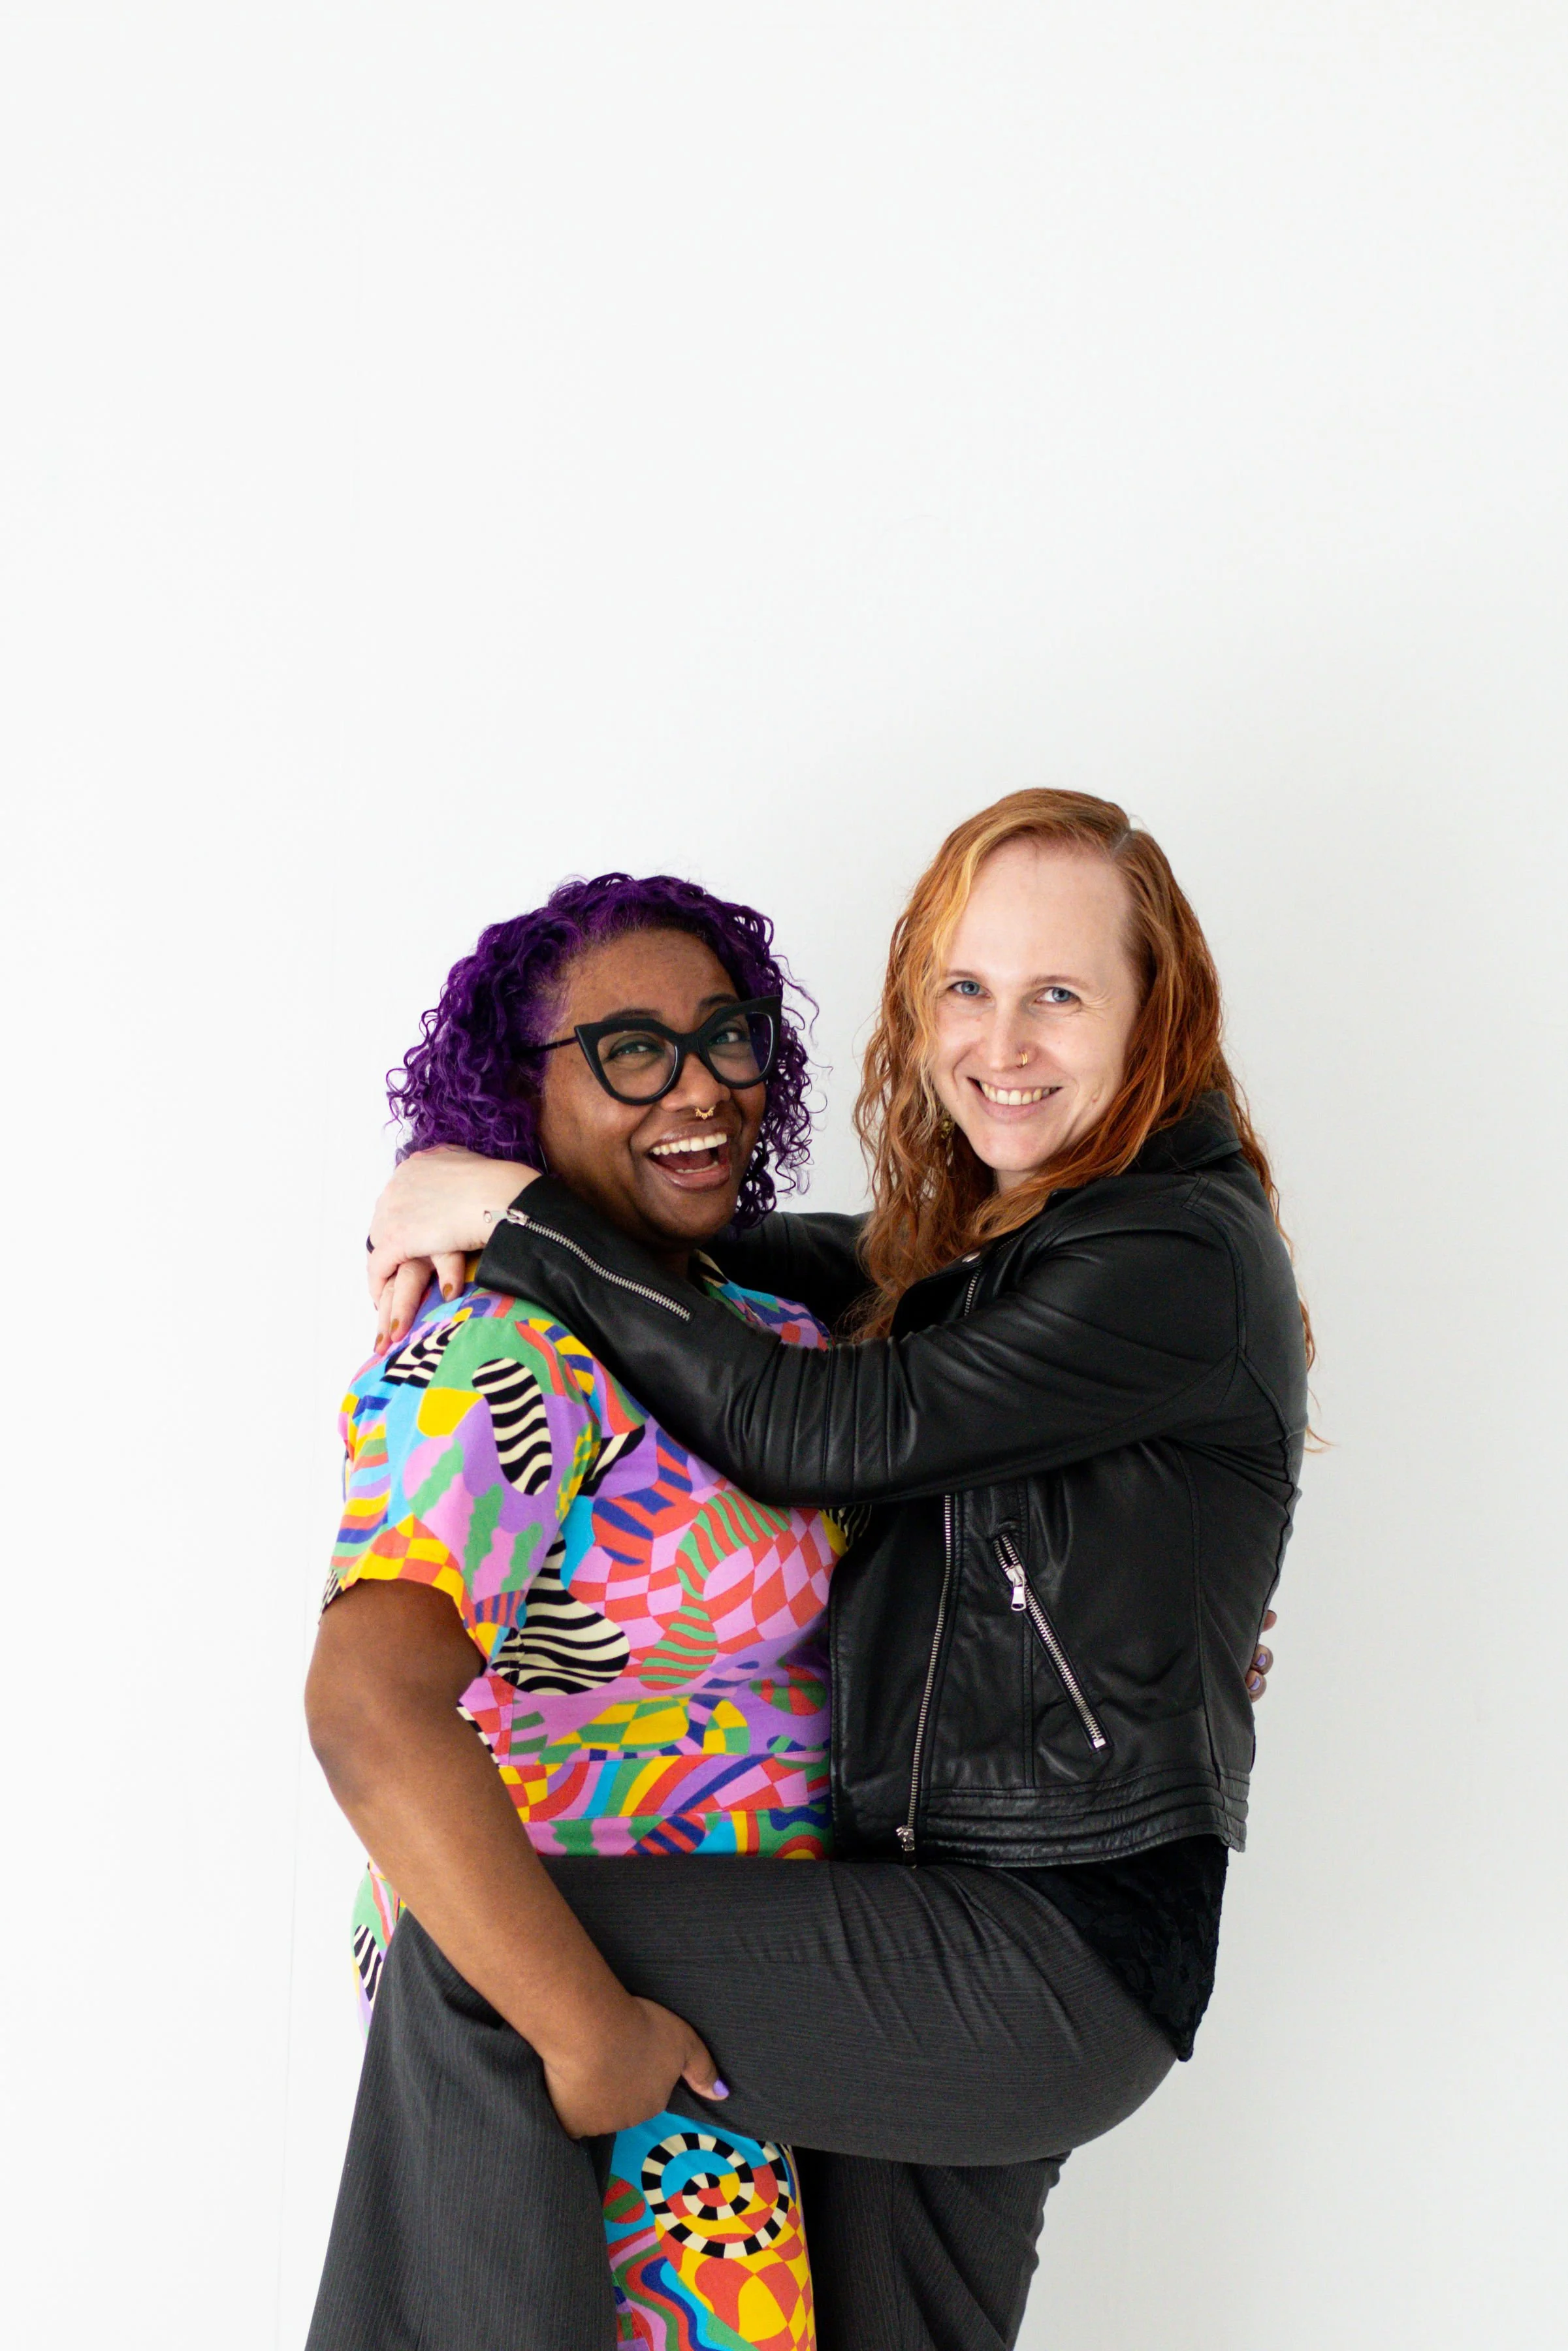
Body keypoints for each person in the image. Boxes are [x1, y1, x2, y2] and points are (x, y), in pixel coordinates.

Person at [349, 789, 1304, 2351]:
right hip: (954, 1913)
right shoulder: (1030, 1238)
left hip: (1036, 1947)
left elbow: (811, 1426)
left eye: (1060, 993)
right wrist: (538, 1200)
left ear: (1159, 1017)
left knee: (490, 1961)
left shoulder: (1170, 1258)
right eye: (966, 991)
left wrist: (519, 1216)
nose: (1005, 1042)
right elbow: (827, 1264)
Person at [306, 874, 848, 2351]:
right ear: (516, 1096)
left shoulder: (760, 1330)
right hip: (568, 1990)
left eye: (727, 1037)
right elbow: (367, 1711)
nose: (699, 1088)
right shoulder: (502, 1354)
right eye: (630, 1050)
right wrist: (583, 2032)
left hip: (747, 1996)